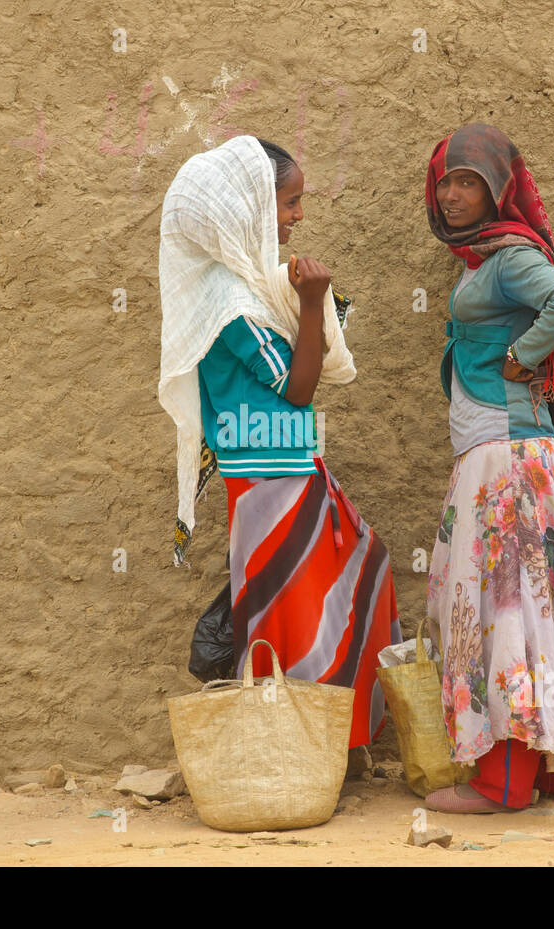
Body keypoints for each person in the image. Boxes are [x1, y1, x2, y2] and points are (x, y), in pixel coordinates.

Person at [158, 135, 402, 750]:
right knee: (294, 619)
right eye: (290, 202)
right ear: (249, 208)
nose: (299, 216)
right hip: (274, 480)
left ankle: (317, 747)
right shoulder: (232, 302)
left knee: (344, 585)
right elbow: (297, 391)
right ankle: (294, 754)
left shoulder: (239, 287)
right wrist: (315, 304)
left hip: (288, 471)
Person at [421, 123, 554, 812]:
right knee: (522, 611)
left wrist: (524, 356)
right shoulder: (480, 261)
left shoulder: (507, 257)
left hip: (507, 462)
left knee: (500, 614)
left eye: (470, 183)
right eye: (447, 183)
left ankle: (502, 784)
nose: (456, 195)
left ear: (499, 192)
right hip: (503, 459)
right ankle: (547, 768)